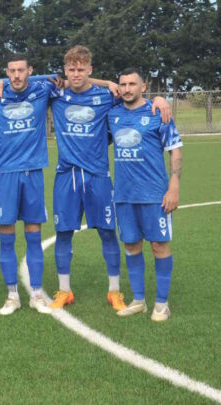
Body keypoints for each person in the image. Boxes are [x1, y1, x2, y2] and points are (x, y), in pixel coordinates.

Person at [42, 46, 172, 311]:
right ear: (65, 71)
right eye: (71, 69)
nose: (76, 74)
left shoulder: (106, 97)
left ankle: (114, 291)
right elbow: (27, 79)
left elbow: (134, 97)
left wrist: (160, 99)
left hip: (98, 176)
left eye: (81, 69)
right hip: (67, 176)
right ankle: (64, 291)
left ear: (89, 69)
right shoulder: (56, 92)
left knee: (108, 232)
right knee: (63, 233)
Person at [107, 68, 182, 322]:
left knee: (159, 245)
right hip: (124, 195)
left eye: (132, 84)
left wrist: (174, 186)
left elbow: (175, 150)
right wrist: (105, 83)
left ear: (143, 87)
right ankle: (139, 300)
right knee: (131, 245)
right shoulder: (113, 114)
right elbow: (80, 83)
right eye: (123, 84)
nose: (127, 89)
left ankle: (162, 304)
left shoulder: (158, 112)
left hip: (154, 195)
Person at [0, 54, 55, 315]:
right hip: (4, 173)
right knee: (7, 236)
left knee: (34, 234)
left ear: (30, 71)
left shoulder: (42, 90)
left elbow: (69, 77)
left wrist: (110, 83)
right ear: (6, 71)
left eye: (21, 70)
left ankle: (36, 294)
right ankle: (12, 295)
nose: (16, 75)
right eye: (11, 71)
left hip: (32, 172)